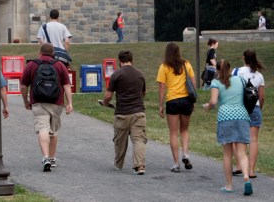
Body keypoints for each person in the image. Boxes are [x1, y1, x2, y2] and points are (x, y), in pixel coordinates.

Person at [20, 43, 73, 172]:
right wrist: (69, 103)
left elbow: (23, 85)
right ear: (53, 53)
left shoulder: (32, 65)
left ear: (40, 52)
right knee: (53, 131)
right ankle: (53, 158)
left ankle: (45, 157)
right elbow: (66, 85)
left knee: (43, 128)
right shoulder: (59, 65)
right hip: (56, 102)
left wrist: (25, 100)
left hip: (38, 102)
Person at [203, 60, 253, 195]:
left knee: (227, 154)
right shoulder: (240, 80)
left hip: (225, 117)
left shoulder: (216, 83)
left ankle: (229, 185)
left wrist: (208, 107)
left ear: (217, 70)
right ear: (230, 68)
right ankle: (246, 178)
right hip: (242, 116)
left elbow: (213, 101)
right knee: (242, 153)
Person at [100, 50, 147, 174]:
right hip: (138, 112)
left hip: (122, 113)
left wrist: (105, 103)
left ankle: (119, 164)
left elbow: (108, 96)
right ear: (132, 60)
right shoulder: (140, 74)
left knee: (120, 141)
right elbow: (142, 94)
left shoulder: (116, 75)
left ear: (120, 61)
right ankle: (140, 165)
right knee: (139, 139)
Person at [156, 42, 196, 173]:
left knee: (173, 133)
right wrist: (193, 101)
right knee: (184, 130)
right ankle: (185, 154)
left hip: (172, 100)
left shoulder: (164, 67)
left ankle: (176, 163)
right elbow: (193, 82)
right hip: (186, 100)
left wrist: (160, 105)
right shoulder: (187, 64)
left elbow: (162, 87)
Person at [231, 49, 265, 179]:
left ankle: (239, 166)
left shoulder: (236, 72)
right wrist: (259, 108)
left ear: (243, 58)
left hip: (240, 108)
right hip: (254, 109)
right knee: (254, 140)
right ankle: (251, 170)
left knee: (238, 138)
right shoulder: (259, 76)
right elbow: (261, 97)